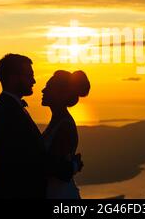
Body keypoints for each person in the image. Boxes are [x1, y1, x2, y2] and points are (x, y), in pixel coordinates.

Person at [0, 54, 82, 199]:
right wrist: (72, 167)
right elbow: (34, 161)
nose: (34, 81)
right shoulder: (10, 113)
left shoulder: (9, 110)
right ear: (13, 78)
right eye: (29, 76)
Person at [41, 70, 90, 199]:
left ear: (60, 94)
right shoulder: (58, 121)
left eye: (48, 87)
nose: (43, 90)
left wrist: (74, 166)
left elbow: (58, 169)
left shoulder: (65, 126)